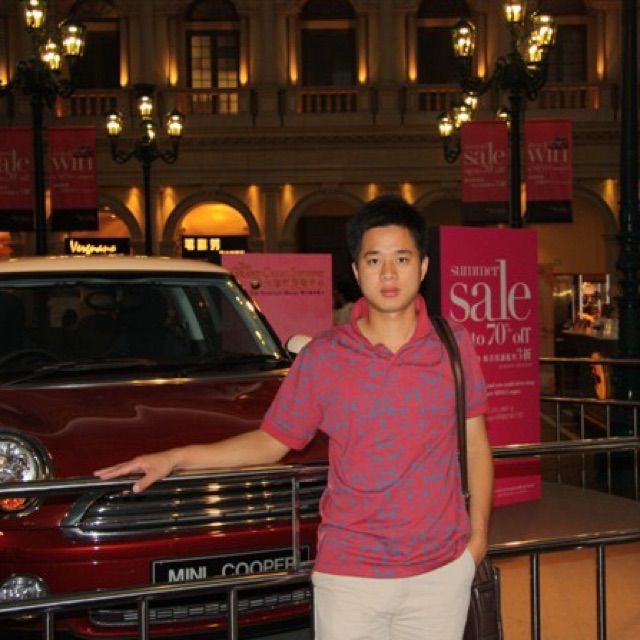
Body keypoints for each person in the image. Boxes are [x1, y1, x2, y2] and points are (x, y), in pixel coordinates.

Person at [95, 194, 493, 640]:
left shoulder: (453, 346)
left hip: (440, 571)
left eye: (401, 258)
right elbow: (271, 441)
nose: (388, 273)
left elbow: (476, 444)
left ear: (422, 267)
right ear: (356, 270)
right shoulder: (324, 356)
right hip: (351, 575)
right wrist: (176, 458)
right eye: (374, 260)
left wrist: (476, 541)